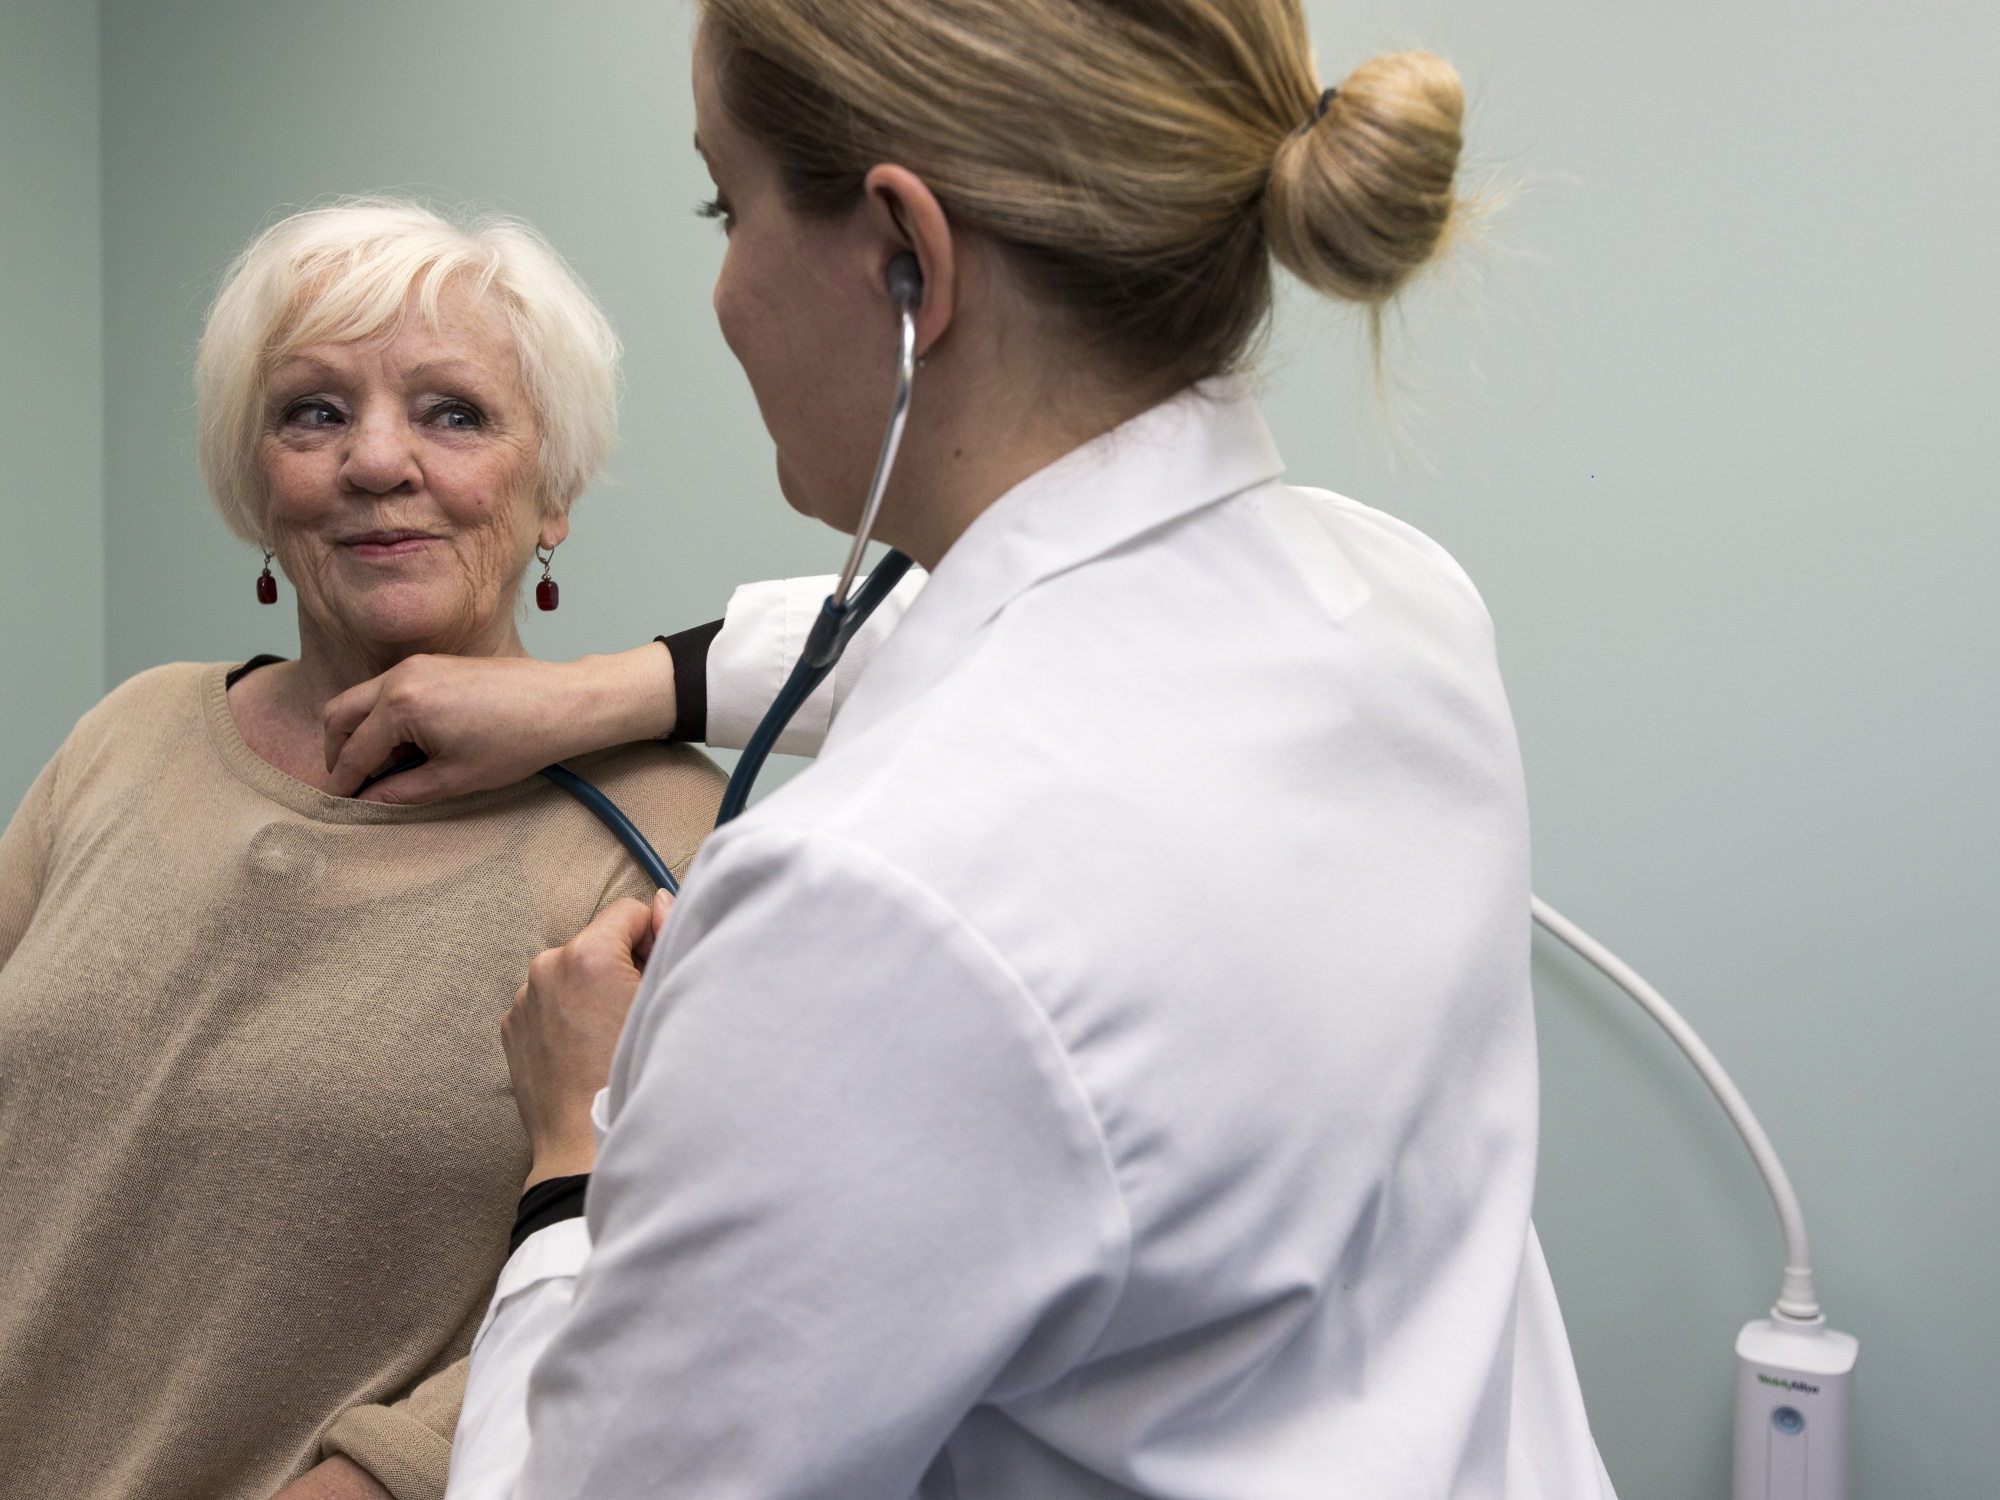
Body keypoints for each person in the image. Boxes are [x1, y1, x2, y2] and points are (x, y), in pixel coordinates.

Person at [340, 4, 1620, 1496]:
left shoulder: (870, 911)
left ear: (907, 258)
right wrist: (602, 694)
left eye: (725, 202)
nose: (724, 287)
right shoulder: (1399, 603)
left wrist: (570, 1165)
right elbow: (991, 647)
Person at [0, 199, 788, 1500]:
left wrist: (387, 1474)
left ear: (556, 491)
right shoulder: (129, 734)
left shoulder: (656, 834)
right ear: (256, 481)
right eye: (313, 412)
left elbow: (678, 1271)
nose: (375, 461)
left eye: (453, 413)